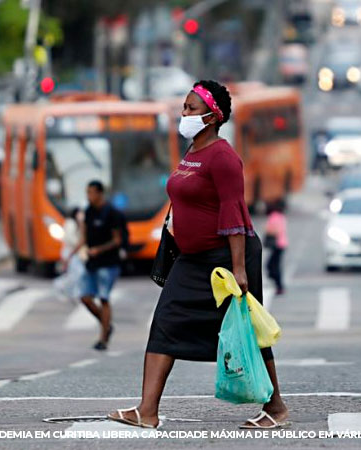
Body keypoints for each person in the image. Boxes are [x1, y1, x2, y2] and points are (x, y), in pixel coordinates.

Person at [107, 80, 289, 430]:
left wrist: (238, 268)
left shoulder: (223, 157)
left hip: (225, 258)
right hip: (192, 260)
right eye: (185, 107)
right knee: (165, 322)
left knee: (246, 331)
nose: (184, 113)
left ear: (212, 116)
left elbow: (234, 212)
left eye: (191, 108)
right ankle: (147, 411)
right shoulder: (192, 152)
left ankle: (276, 406)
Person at [65, 181, 124, 350]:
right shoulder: (88, 212)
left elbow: (117, 240)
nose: (89, 196)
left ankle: (103, 338)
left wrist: (99, 249)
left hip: (109, 262)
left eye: (91, 192)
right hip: (92, 262)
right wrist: (71, 254)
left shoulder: (112, 213)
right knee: (84, 297)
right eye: (87, 192)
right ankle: (107, 324)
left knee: (104, 297)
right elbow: (83, 237)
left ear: (100, 193)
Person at [265, 199, 288, 295]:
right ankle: (279, 285)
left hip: (277, 244)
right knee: (275, 266)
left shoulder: (273, 216)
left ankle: (279, 286)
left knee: (272, 266)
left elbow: (273, 230)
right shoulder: (281, 216)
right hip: (282, 244)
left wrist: (268, 231)